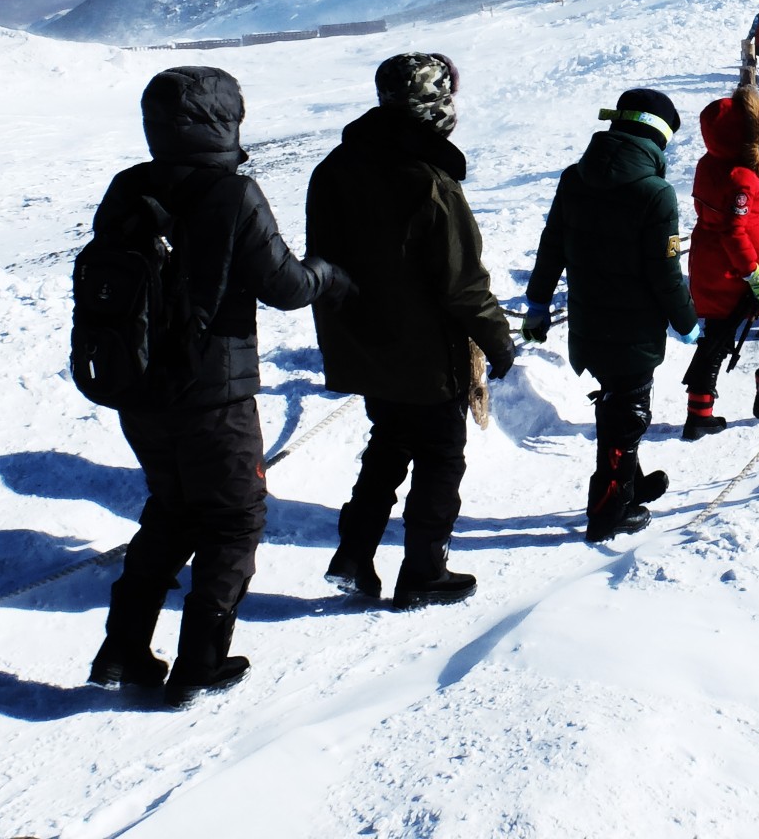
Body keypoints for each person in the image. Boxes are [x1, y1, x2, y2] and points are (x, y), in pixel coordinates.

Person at [86, 66, 349, 704]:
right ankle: (201, 660)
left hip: (139, 390)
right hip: (215, 397)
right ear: (223, 120)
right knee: (234, 521)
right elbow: (285, 286)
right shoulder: (233, 194)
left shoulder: (128, 188)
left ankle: (123, 648)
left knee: (172, 510)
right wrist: (331, 274)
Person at [306, 52, 516, 608]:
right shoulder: (430, 180)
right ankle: (424, 570)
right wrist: (498, 340)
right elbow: (461, 283)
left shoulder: (333, 168)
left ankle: (353, 555)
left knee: (387, 444)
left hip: (366, 345)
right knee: (441, 457)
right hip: (427, 352)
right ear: (436, 106)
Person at [523, 90, 698, 543]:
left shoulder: (575, 177)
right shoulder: (654, 193)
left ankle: (631, 484)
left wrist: (538, 305)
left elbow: (551, 245)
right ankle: (608, 511)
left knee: (617, 404)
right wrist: (686, 321)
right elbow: (665, 272)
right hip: (633, 330)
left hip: (588, 326)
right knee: (628, 414)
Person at [681, 87, 759, 437]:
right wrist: (753, 274)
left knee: (717, 338)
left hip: (712, 264)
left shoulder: (709, 163)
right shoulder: (741, 179)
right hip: (744, 267)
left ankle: (699, 411)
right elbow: (735, 232)